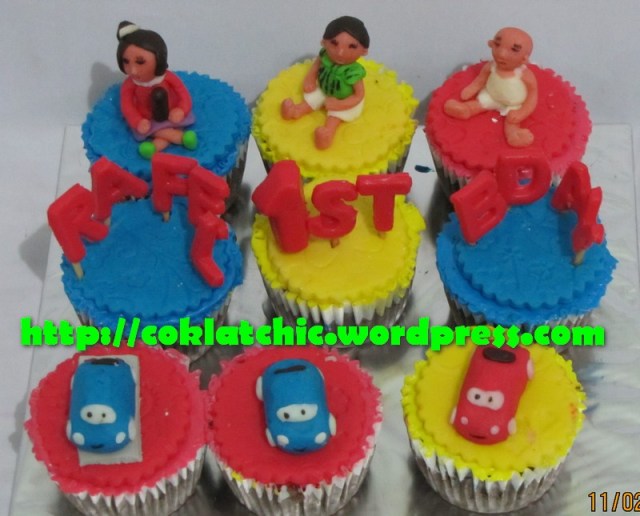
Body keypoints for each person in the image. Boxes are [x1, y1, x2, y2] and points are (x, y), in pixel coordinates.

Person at [281, 16, 369, 150]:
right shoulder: (324, 56)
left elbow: (359, 96)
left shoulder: (354, 72)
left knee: (335, 115)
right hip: (324, 90)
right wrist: (310, 79)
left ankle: (327, 134)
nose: (340, 52)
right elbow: (315, 67)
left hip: (343, 100)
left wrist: (339, 104)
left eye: (352, 46)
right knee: (312, 100)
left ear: (364, 51)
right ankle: (295, 111)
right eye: (334, 43)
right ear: (324, 42)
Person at [444, 27, 538, 148]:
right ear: (491, 44)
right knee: (480, 103)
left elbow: (532, 95)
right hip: (491, 96)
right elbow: (480, 80)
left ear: (525, 58)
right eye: (497, 45)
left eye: (514, 50)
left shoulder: (525, 75)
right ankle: (465, 110)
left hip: (513, 104)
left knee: (512, 120)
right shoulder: (491, 66)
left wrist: (522, 112)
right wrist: (471, 89)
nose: (501, 54)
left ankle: (514, 135)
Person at [116, 21, 197, 159]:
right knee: (150, 129)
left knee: (171, 125)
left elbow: (184, 95)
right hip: (147, 119)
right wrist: (137, 121)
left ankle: (153, 148)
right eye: (126, 61)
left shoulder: (168, 78)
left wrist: (181, 110)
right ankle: (183, 138)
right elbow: (127, 105)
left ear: (158, 57)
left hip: (172, 114)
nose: (133, 70)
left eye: (140, 62)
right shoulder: (130, 84)